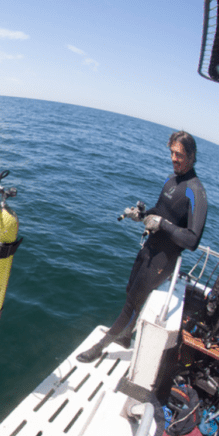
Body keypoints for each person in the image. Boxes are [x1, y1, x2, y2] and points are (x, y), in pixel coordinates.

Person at [77, 131, 208, 363]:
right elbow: (159, 211)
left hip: (164, 258)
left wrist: (163, 225)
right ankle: (126, 337)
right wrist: (142, 215)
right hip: (150, 247)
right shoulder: (171, 180)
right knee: (130, 291)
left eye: (179, 154)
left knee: (132, 302)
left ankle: (100, 347)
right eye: (171, 153)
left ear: (191, 155)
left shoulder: (194, 190)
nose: (174, 158)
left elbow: (192, 240)